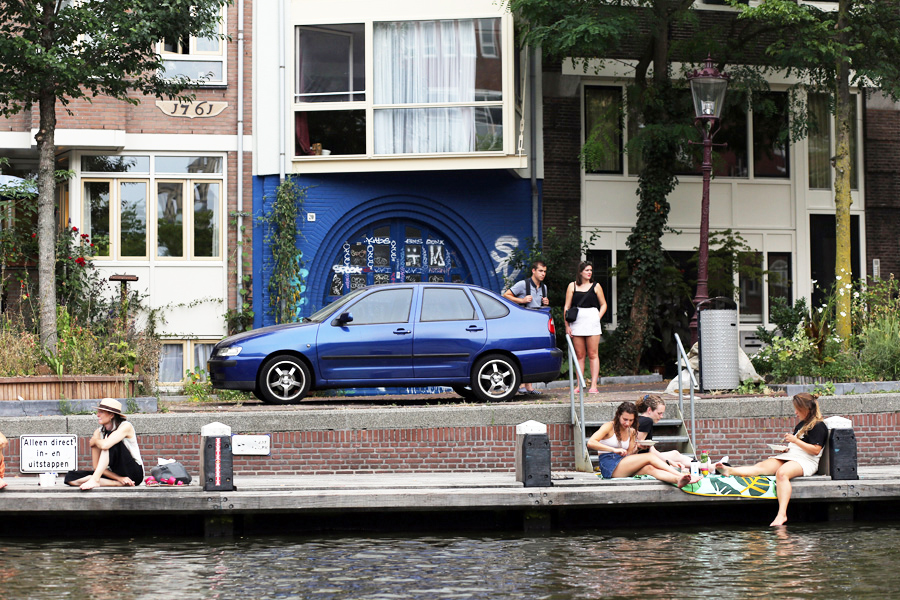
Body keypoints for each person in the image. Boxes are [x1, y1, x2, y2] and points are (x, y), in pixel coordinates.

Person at [714, 393, 828, 527]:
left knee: (782, 473)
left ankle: (782, 514)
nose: (795, 412)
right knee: (761, 467)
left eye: (798, 409)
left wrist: (795, 440)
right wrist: (786, 449)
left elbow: (815, 450)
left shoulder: (819, 426)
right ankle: (730, 470)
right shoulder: (802, 424)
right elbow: (799, 445)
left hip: (806, 461)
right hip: (791, 456)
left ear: (807, 409)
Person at [587, 401, 697, 488]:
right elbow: (591, 442)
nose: (627, 423)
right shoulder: (609, 426)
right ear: (618, 416)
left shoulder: (632, 431)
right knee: (649, 456)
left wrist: (639, 448)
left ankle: (677, 480)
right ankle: (680, 475)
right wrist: (613, 449)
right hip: (609, 465)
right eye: (625, 419)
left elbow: (629, 455)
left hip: (622, 464)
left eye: (631, 420)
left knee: (649, 468)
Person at [64, 398, 145, 491]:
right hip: (115, 473)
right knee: (71, 477)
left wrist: (95, 442)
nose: (97, 415)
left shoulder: (126, 426)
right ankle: (117, 483)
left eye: (101, 412)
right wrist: (118, 479)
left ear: (111, 415)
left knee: (110, 442)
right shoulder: (98, 433)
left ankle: (95, 480)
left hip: (133, 473)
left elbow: (105, 445)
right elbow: (96, 466)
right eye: (98, 412)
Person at [503, 260, 550, 395]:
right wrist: (522, 300)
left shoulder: (544, 288)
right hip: (524, 322)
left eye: (545, 271)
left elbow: (542, 305)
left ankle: (529, 387)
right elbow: (506, 295)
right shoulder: (523, 284)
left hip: (537, 322)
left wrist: (546, 302)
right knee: (525, 351)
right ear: (533, 271)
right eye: (540, 271)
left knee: (533, 353)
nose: (543, 274)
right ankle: (521, 384)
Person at [563, 261, 607, 393]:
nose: (589, 272)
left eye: (591, 270)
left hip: (592, 320)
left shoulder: (596, 286)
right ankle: (579, 385)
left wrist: (597, 317)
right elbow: (567, 306)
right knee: (580, 355)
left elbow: (604, 304)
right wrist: (567, 325)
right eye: (587, 270)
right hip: (577, 321)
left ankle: (594, 385)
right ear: (580, 272)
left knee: (593, 354)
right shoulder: (572, 286)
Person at [635, 394, 694, 468]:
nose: (661, 416)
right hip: (641, 460)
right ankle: (704, 466)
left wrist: (669, 461)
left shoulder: (639, 419)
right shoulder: (647, 421)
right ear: (649, 410)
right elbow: (638, 444)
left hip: (645, 457)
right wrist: (668, 462)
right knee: (675, 456)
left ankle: (703, 465)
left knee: (675, 454)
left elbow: (651, 449)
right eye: (659, 413)